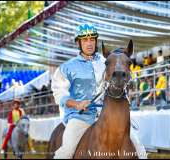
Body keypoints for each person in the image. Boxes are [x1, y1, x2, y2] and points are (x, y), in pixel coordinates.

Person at [51, 23, 146, 159]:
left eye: (92, 40)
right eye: (85, 40)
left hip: (109, 116)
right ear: (79, 42)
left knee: (140, 149)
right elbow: (59, 93)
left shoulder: (108, 61)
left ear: (96, 41)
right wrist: (76, 104)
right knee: (65, 152)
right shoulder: (67, 67)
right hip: (80, 118)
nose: (89, 43)